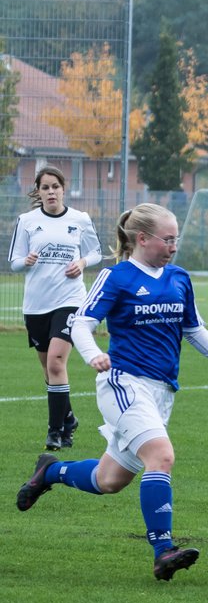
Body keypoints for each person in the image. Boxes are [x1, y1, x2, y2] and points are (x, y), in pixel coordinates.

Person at [15, 203, 208, 582]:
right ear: (142, 239)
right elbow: (82, 322)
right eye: (168, 239)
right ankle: (163, 552)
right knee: (161, 457)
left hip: (161, 392)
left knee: (108, 480)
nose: (174, 246)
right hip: (123, 384)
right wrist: (95, 354)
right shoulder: (118, 277)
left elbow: (193, 329)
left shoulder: (179, 277)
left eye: (176, 239)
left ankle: (50, 472)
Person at [8, 166, 103, 451]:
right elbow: (13, 262)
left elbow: (96, 252)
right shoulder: (26, 221)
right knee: (50, 372)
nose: (51, 192)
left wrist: (82, 263)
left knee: (56, 363)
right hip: (36, 305)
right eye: (45, 187)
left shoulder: (80, 219)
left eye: (55, 186)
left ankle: (55, 431)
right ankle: (70, 417)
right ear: (38, 192)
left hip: (70, 300)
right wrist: (26, 261)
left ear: (64, 188)